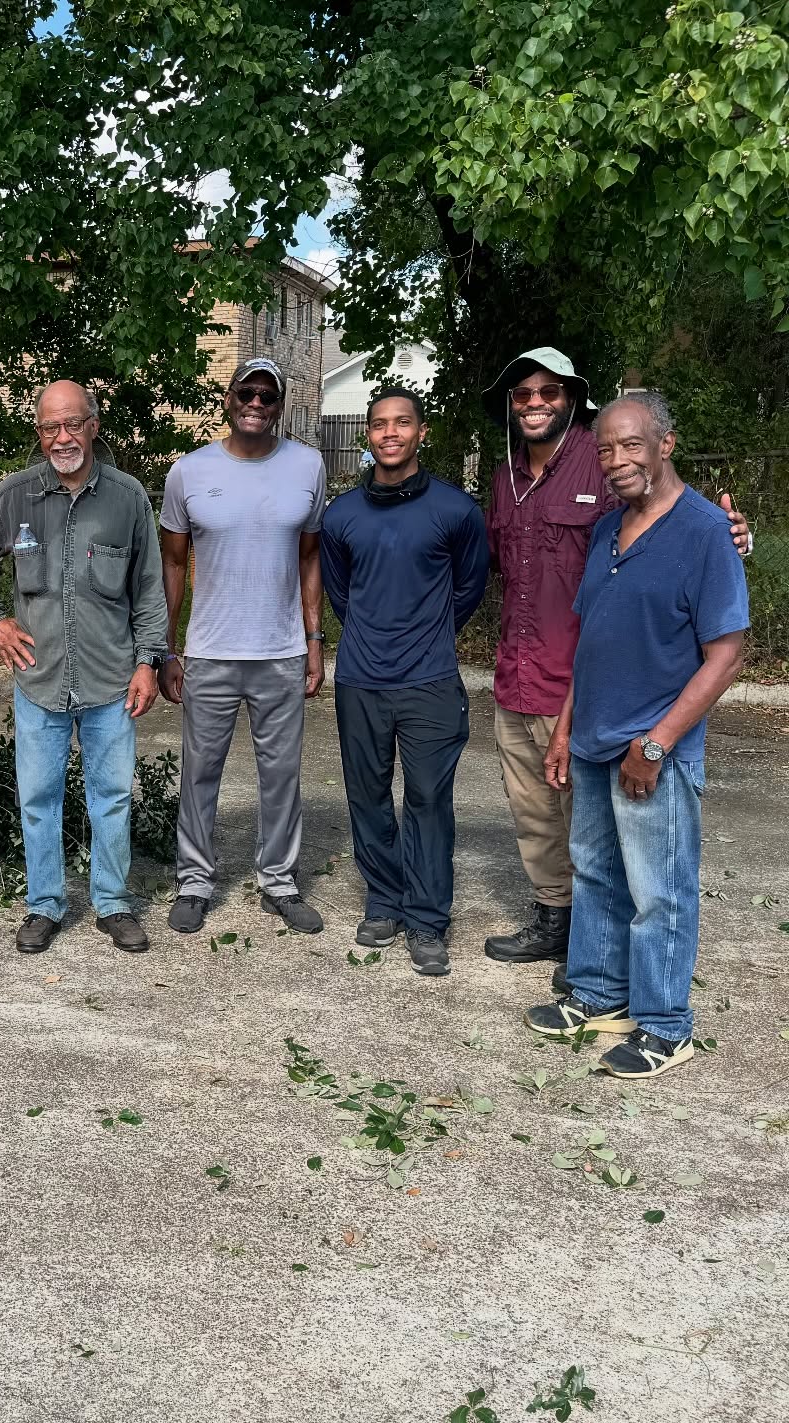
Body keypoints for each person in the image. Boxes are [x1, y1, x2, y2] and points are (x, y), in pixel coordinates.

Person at [480, 350, 752, 983]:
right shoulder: (504, 477)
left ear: (571, 397)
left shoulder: (600, 459)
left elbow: (671, 510)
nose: (535, 402)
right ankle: (565, 934)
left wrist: (733, 530)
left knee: (622, 842)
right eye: (523, 394)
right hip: (524, 673)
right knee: (545, 821)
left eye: (549, 391)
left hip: (594, 683)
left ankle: (642, 983)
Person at [526, 392, 749, 1079]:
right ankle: (597, 993)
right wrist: (564, 730)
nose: (617, 460)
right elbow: (593, 638)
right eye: (606, 448)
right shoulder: (607, 530)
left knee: (660, 890)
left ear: (664, 446)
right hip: (592, 739)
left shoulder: (706, 532)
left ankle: (664, 1025)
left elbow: (727, 652)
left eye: (631, 445)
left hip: (651, 749)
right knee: (596, 874)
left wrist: (656, 743)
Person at [0, 381, 168, 954]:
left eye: (72, 424)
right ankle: (44, 904)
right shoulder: (15, 496)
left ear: (94, 425)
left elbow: (150, 587)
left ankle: (112, 901)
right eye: (50, 427)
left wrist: (149, 661)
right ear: (39, 432)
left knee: (111, 795)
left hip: (111, 680)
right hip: (39, 678)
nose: (62, 437)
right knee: (39, 797)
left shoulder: (128, 498)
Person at [320, 387, 489, 977]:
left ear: (421, 432)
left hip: (430, 681)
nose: (390, 433)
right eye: (379, 425)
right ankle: (384, 900)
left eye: (402, 423)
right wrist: (374, 634)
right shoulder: (341, 516)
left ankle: (426, 918)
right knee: (366, 795)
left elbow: (468, 587)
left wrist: (428, 633)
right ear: (368, 435)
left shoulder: (456, 511)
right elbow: (341, 593)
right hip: (361, 680)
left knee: (427, 799)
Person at [158, 359, 328, 936]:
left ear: (279, 405)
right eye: (246, 393)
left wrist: (313, 640)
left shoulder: (308, 465)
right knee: (200, 773)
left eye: (268, 395)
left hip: (279, 651)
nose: (256, 402)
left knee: (281, 774)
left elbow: (310, 557)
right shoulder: (188, 471)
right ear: (229, 399)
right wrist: (167, 648)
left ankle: (279, 881)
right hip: (209, 651)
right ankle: (194, 882)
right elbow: (174, 562)